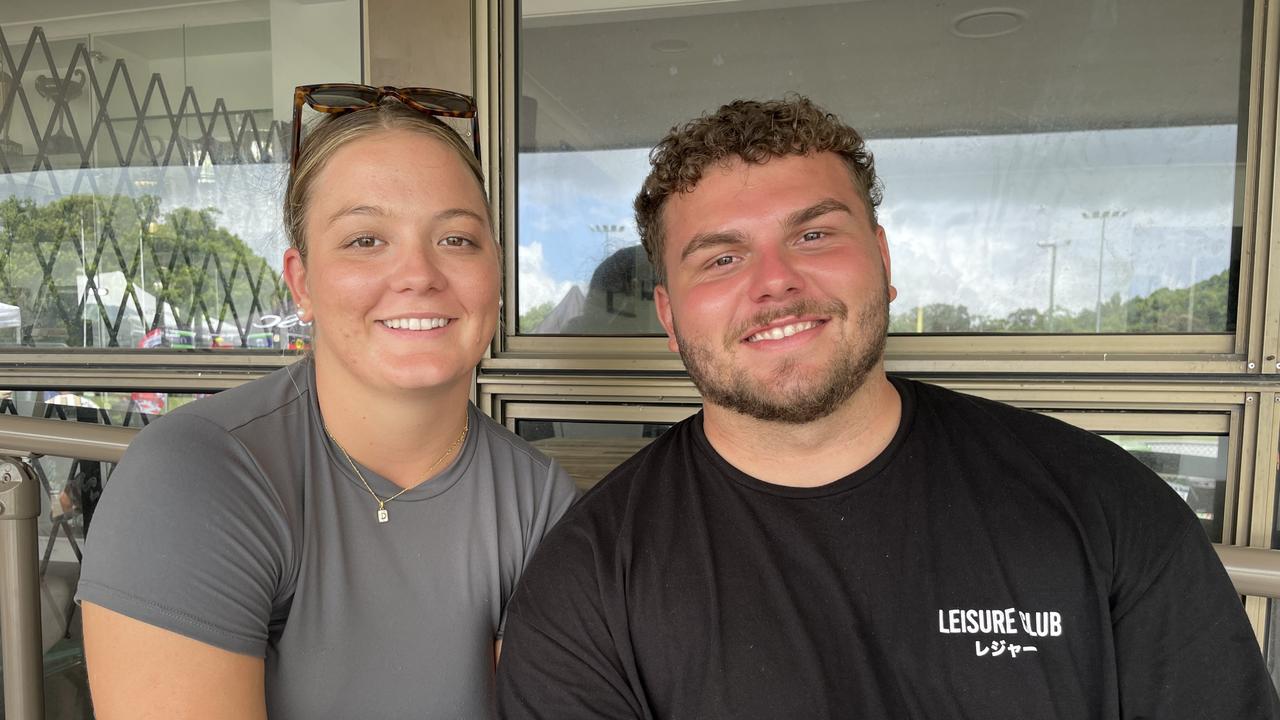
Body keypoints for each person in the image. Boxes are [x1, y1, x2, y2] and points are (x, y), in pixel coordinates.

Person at [495, 96, 1280, 718]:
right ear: (668, 317)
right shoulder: (588, 586)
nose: (775, 283)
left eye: (813, 235)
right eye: (723, 257)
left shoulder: (1103, 508)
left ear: (885, 260)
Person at [77, 87, 577, 719]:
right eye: (366, 240)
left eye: (456, 239)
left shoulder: (539, 503)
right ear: (302, 281)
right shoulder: (196, 475)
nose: (419, 273)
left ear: (496, 273)